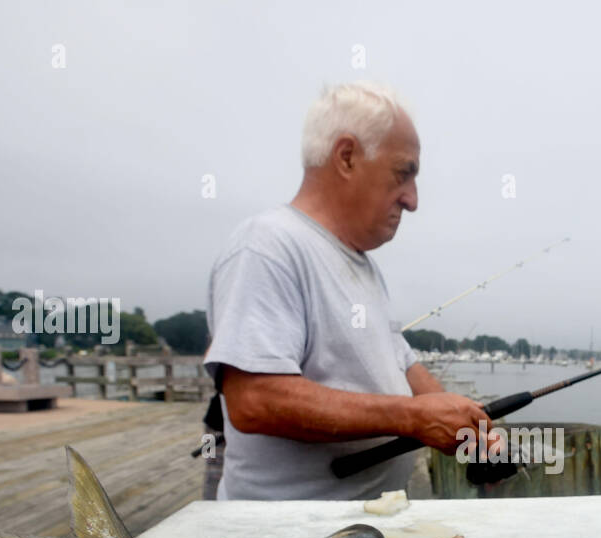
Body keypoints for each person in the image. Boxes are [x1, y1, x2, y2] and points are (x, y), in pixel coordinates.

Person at [203, 81, 499, 500]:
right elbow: (254, 398)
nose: (412, 200)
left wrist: (471, 425)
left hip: (364, 532)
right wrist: (411, 418)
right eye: (404, 173)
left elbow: (404, 366)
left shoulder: (365, 267)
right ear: (346, 158)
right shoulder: (267, 245)